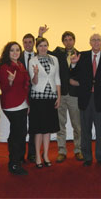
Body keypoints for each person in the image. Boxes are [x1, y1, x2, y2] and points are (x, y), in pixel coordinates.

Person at [38, 26, 84, 163]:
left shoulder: (81, 55)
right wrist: (40, 35)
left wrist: (78, 82)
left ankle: (78, 150)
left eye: (70, 39)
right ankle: (62, 151)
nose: (68, 42)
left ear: (74, 41)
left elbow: (85, 74)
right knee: (60, 124)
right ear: (63, 41)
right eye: (66, 40)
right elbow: (42, 50)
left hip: (75, 95)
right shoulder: (57, 54)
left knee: (77, 125)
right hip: (60, 94)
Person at [70, 34, 101, 167]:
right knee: (85, 130)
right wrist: (73, 64)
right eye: (93, 40)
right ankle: (87, 157)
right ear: (89, 42)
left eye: (98, 40)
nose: (96, 42)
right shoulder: (81, 56)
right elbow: (73, 75)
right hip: (85, 99)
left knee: (100, 130)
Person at [28, 37, 61, 168]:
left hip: (51, 97)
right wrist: (35, 74)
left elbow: (57, 78)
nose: (43, 48)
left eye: (45, 45)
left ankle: (46, 155)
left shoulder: (54, 59)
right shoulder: (33, 60)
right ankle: (37, 155)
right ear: (37, 47)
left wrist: (59, 97)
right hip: (38, 98)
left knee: (48, 129)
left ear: (48, 46)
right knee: (38, 129)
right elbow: (33, 82)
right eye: (40, 45)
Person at [0, 42, 30, 175]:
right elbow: (4, 89)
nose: (15, 52)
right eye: (12, 50)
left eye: (17, 50)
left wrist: (27, 103)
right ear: (8, 52)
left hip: (22, 103)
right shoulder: (5, 67)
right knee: (17, 134)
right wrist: (10, 81)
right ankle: (14, 164)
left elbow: (26, 85)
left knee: (21, 132)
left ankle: (19, 157)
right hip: (11, 104)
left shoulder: (21, 65)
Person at [19, 33, 36, 163]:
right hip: (21, 96)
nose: (28, 44)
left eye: (30, 42)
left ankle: (32, 153)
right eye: (25, 42)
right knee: (21, 126)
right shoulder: (17, 57)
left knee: (34, 127)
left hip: (36, 96)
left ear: (34, 43)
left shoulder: (39, 56)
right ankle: (20, 155)